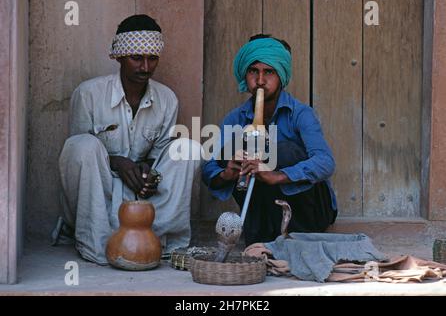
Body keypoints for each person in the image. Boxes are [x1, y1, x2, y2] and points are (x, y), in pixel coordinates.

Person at [54, 14, 201, 265]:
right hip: (100, 191)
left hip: (142, 194)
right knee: (82, 146)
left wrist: (147, 170)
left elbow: (161, 154)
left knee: (188, 148)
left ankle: (156, 238)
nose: (145, 67)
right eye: (137, 58)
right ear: (119, 56)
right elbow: (80, 158)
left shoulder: (167, 99)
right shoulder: (89, 94)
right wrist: (118, 163)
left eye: (152, 58)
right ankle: (97, 242)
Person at [202, 34, 337, 246]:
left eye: (269, 72)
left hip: (308, 214)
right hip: (262, 215)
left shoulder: (301, 114)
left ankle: (293, 236)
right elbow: (209, 168)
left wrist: (277, 175)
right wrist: (227, 173)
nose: (261, 80)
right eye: (253, 71)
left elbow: (325, 162)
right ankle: (260, 236)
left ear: (281, 76)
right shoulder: (235, 118)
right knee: (229, 151)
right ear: (245, 76)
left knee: (280, 151)